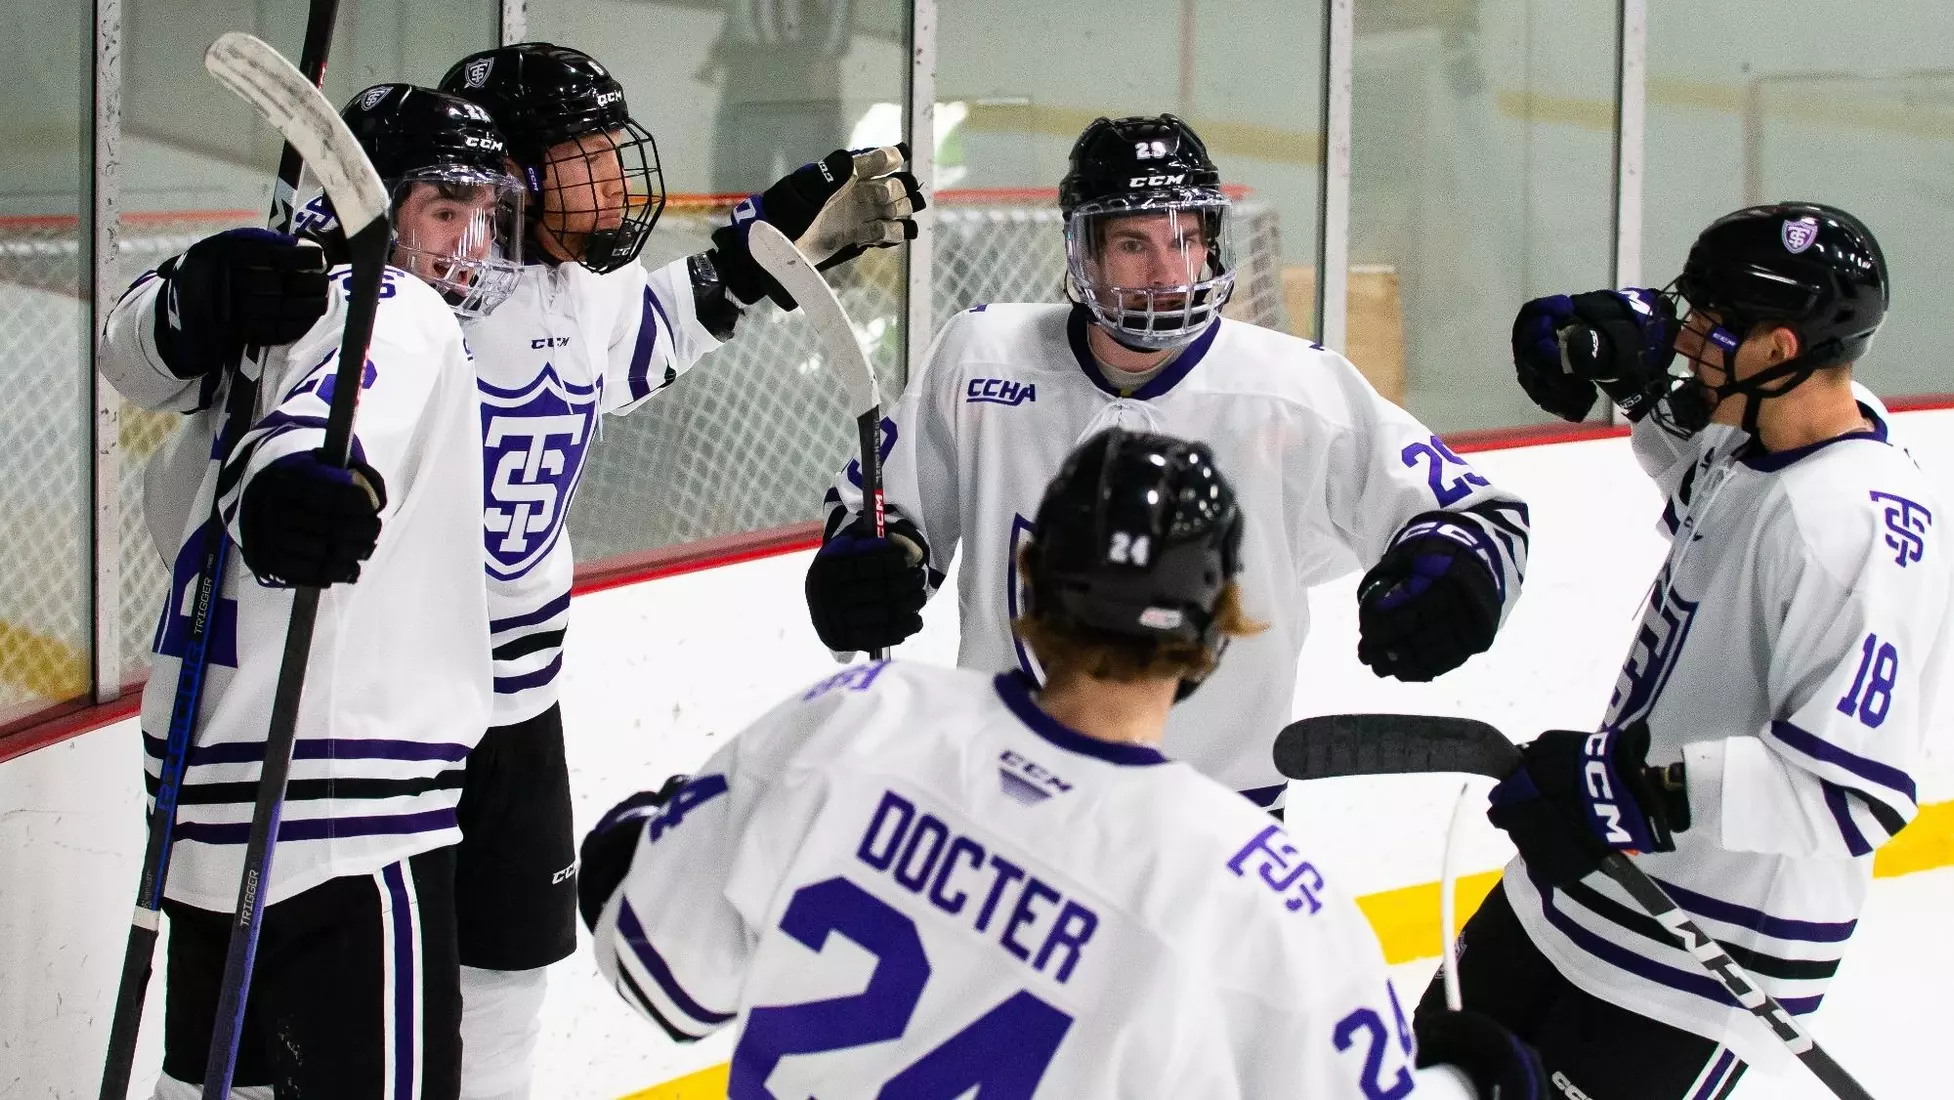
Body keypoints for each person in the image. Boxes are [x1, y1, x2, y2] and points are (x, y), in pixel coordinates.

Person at [579, 428, 1546, 1099]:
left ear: (1029, 577)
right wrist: (1474, 1079)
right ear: (1221, 626)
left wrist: (638, 843)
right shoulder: (1263, 898)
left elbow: (661, 973)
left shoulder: (853, 724)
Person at [423, 42, 925, 1100]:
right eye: (586, 151)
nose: (614, 173)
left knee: (507, 990)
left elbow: (649, 333)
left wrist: (752, 259)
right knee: (353, 996)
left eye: (614, 145)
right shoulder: (423, 293)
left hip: (521, 709)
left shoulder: (583, 285)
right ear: (505, 171)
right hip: (394, 712)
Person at [808, 113, 1531, 808]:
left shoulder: (1294, 389)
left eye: (1186, 238)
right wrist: (868, 562)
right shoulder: (981, 356)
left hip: (1216, 817)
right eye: (1133, 244)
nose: (1167, 271)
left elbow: (1480, 516)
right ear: (1082, 251)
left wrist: (1454, 578)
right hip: (1005, 799)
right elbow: (884, 511)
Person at [1432, 202, 1953, 1099]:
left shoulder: (1854, 527)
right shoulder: (1775, 437)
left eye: (1713, 323)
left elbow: (1851, 798)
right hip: (1580, 886)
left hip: (1698, 956)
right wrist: (1636, 392)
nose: (1688, 337)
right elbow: (1710, 489)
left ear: (1780, 352)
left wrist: (1623, 787)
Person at [99, 85, 525, 1098]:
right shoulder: (398, 310)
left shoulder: (259, 327)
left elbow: (133, 351)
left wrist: (194, 294)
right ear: (364, 204)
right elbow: (330, 434)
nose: (468, 244)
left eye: (478, 215)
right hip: (351, 820)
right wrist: (295, 483)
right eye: (443, 210)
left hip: (202, 824)